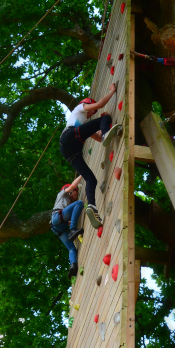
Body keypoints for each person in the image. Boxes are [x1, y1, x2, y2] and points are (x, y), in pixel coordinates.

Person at [59, 84, 122, 228]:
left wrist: (103, 129)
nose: (92, 112)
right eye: (92, 109)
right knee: (105, 119)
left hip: (69, 150)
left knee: (90, 178)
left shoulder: (82, 124)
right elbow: (100, 104)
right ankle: (106, 128)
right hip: (69, 137)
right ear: (86, 103)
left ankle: (92, 206)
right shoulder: (79, 108)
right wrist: (112, 91)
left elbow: (100, 139)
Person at [51, 176, 84, 279]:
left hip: (57, 228)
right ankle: (73, 229)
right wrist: (82, 174)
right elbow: (73, 185)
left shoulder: (66, 204)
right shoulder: (62, 194)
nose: (74, 197)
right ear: (70, 191)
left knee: (71, 248)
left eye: (76, 195)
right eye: (74, 194)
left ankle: (73, 265)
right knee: (79, 203)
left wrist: (70, 222)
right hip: (56, 218)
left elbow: (67, 218)